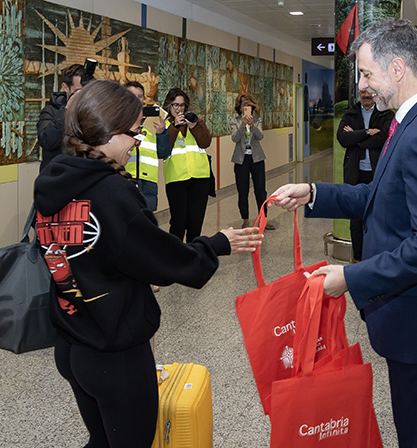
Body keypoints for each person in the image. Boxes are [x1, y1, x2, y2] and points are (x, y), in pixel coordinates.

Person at [271, 19, 417, 447]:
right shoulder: (414, 121)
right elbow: (380, 195)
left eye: (367, 73)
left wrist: (349, 277)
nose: (364, 86)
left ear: (398, 68)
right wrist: (314, 192)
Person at [33, 80, 262, 447]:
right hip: (114, 355)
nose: (137, 141)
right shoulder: (110, 192)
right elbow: (161, 260)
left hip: (72, 342)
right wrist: (216, 244)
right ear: (107, 132)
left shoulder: (54, 179)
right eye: (134, 132)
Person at [336, 88, 394, 261]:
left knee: (378, 216)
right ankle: (358, 258)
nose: (367, 96)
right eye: (363, 93)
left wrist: (356, 139)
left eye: (370, 93)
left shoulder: (386, 115)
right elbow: (343, 139)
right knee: (356, 217)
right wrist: (367, 132)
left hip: (378, 174)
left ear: (376, 95)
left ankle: (376, 257)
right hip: (356, 173)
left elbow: (384, 138)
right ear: (358, 95)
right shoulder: (350, 114)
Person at [158, 87, 213, 242]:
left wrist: (194, 126)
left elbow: (205, 142)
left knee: (195, 222)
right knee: (178, 222)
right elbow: (163, 148)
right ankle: (175, 258)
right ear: (169, 106)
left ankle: (193, 256)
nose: (179, 109)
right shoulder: (164, 125)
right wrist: (174, 126)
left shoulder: (195, 121)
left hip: (200, 177)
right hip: (176, 178)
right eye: (175, 105)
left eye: (182, 105)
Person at [230, 93, 274, 230]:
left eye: (249, 105)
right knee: (242, 191)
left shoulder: (257, 120)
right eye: (244, 105)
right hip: (241, 159)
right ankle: (245, 219)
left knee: (260, 190)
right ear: (239, 107)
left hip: (257, 158)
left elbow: (260, 136)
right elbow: (234, 138)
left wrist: (253, 125)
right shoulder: (235, 120)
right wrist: (243, 125)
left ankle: (263, 218)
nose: (246, 107)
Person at [124, 81, 166, 211]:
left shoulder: (154, 122)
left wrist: (161, 133)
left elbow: (164, 153)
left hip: (148, 180)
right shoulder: (117, 120)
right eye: (132, 95)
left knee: (147, 221)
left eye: (140, 96)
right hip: (125, 177)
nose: (137, 100)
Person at [37, 64, 85, 171]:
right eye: (78, 91)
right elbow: (47, 141)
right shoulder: (51, 111)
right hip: (56, 177)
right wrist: (67, 109)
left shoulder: (91, 113)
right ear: (65, 87)